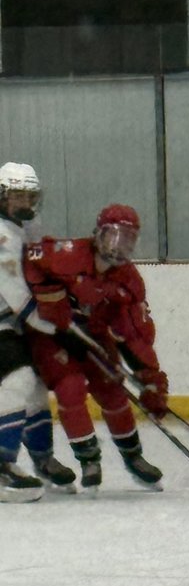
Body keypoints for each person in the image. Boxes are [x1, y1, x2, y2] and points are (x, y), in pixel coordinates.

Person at [24, 203, 169, 489]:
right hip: (53, 336)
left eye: (128, 240)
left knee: (114, 391)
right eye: (113, 236)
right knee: (71, 387)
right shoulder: (69, 253)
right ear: (98, 233)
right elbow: (30, 258)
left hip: (95, 338)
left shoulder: (129, 281)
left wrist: (152, 380)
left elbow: (134, 335)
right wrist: (52, 301)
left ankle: (133, 456)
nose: (119, 247)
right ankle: (89, 460)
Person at [0, 161, 77, 501]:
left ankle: (42, 458)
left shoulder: (21, 228)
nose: (25, 204)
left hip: (10, 324)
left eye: (30, 196)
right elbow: (15, 290)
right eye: (17, 196)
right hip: (5, 322)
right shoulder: (2, 234)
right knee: (19, 381)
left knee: (35, 385)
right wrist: (53, 325)